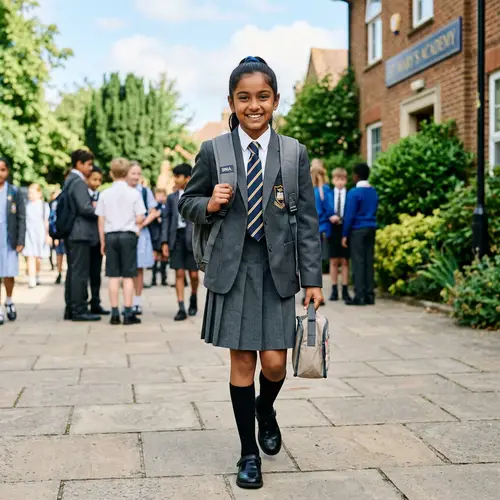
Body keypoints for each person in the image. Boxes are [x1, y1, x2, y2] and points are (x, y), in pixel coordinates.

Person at [178, 56, 323, 490]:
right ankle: (248, 453)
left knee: (275, 364)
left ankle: (266, 408)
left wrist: (313, 279)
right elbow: (188, 202)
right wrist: (209, 203)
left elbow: (309, 221)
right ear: (231, 102)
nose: (253, 105)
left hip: (278, 269)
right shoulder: (213, 150)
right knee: (241, 360)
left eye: (262, 97)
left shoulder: (294, 152)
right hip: (233, 268)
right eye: (244, 98)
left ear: (276, 100)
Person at [95, 158, 146, 325]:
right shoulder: (134, 193)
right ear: (126, 173)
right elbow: (140, 217)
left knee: (113, 275)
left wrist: (102, 241)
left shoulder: (104, 194)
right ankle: (128, 311)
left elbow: (101, 220)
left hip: (111, 235)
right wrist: (136, 224)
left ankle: (115, 311)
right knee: (128, 275)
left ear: (111, 173)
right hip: (128, 235)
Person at [64, 149, 101, 322]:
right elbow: (84, 208)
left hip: (74, 232)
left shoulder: (69, 179)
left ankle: (71, 307)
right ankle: (79, 309)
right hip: (80, 233)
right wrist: (100, 210)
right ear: (79, 163)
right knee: (79, 272)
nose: (90, 168)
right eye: (88, 164)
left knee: (73, 271)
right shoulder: (78, 181)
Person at [161, 163, 199, 321]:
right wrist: (164, 242)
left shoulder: (197, 196)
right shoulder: (171, 198)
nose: (175, 180)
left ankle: (194, 296)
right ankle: (181, 306)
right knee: (179, 273)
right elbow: (166, 220)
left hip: (192, 238)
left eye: (178, 176)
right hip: (176, 238)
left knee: (194, 274)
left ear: (188, 178)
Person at [342, 163, 378, 306]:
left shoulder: (353, 193)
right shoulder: (374, 192)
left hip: (358, 229)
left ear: (356, 175)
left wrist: (345, 234)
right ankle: (370, 295)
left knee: (358, 262)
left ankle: (360, 296)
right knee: (369, 261)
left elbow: (349, 216)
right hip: (371, 228)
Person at [127, 162, 159, 315]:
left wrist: (142, 225)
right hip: (125, 233)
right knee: (127, 270)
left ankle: (137, 301)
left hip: (141, 234)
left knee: (139, 268)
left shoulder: (145, 192)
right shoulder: (123, 191)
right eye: (133, 173)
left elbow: (153, 212)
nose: (136, 177)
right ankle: (128, 301)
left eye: (138, 174)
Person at [0, 158, 26, 325]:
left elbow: (21, 217)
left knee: (8, 272)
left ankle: (9, 300)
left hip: (8, 236)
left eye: (2, 169)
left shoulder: (14, 192)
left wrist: (20, 240)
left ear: (7, 171)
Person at [86, 166, 109, 315]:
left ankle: (95, 301)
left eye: (100, 180)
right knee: (84, 273)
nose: (97, 183)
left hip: (98, 240)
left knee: (96, 273)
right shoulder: (83, 196)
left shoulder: (102, 196)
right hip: (85, 239)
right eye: (94, 179)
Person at [329, 167, 352, 303]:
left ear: (346, 180)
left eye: (342, 179)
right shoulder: (329, 194)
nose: (340, 182)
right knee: (333, 260)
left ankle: (345, 289)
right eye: (337, 179)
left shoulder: (348, 194)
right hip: (333, 228)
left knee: (344, 261)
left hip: (344, 228)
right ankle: (333, 289)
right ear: (333, 180)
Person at [23, 184, 51, 288]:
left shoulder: (44, 205)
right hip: (29, 233)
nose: (30, 195)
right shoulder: (26, 205)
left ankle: (36, 274)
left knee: (38, 258)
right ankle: (32, 279)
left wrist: (48, 235)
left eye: (33, 192)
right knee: (30, 256)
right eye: (29, 193)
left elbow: (46, 221)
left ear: (39, 193)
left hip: (40, 233)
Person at [151, 187, 168, 287]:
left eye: (162, 196)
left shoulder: (165, 206)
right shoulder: (154, 207)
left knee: (164, 258)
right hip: (155, 235)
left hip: (163, 236)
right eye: (158, 196)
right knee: (155, 257)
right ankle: (153, 279)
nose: (160, 198)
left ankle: (163, 278)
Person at [49, 189, 65, 285]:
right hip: (58, 233)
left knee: (60, 255)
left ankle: (60, 273)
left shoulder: (56, 203)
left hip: (60, 232)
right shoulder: (53, 204)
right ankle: (59, 273)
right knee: (59, 254)